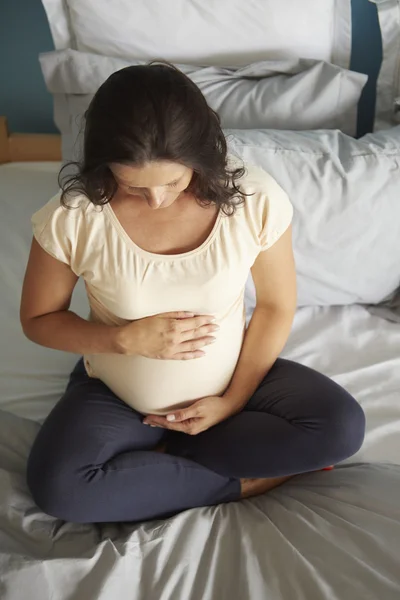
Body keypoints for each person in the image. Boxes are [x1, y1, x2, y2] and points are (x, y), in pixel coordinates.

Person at [20, 62, 365, 524]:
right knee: (59, 488)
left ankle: (164, 458)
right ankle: (239, 481)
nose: (157, 199)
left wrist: (231, 402)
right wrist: (122, 340)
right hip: (117, 394)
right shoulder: (75, 218)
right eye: (133, 184)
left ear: (200, 155)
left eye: (174, 181)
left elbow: (277, 306)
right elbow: (38, 320)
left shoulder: (253, 198)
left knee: (341, 427)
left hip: (232, 385)